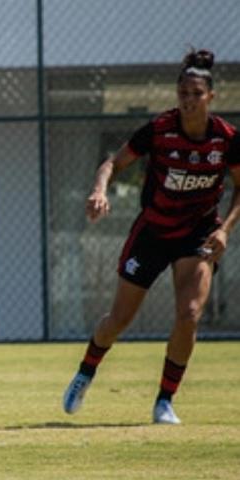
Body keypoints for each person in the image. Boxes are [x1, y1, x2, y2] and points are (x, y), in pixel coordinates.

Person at [62, 48, 240, 424]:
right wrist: (99, 190)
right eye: (183, 93)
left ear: (211, 97)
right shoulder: (160, 130)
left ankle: (164, 401)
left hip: (199, 234)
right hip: (153, 232)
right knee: (120, 319)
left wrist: (225, 230)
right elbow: (112, 162)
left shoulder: (226, 139)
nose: (189, 100)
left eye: (196, 94)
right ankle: (85, 372)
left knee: (189, 314)